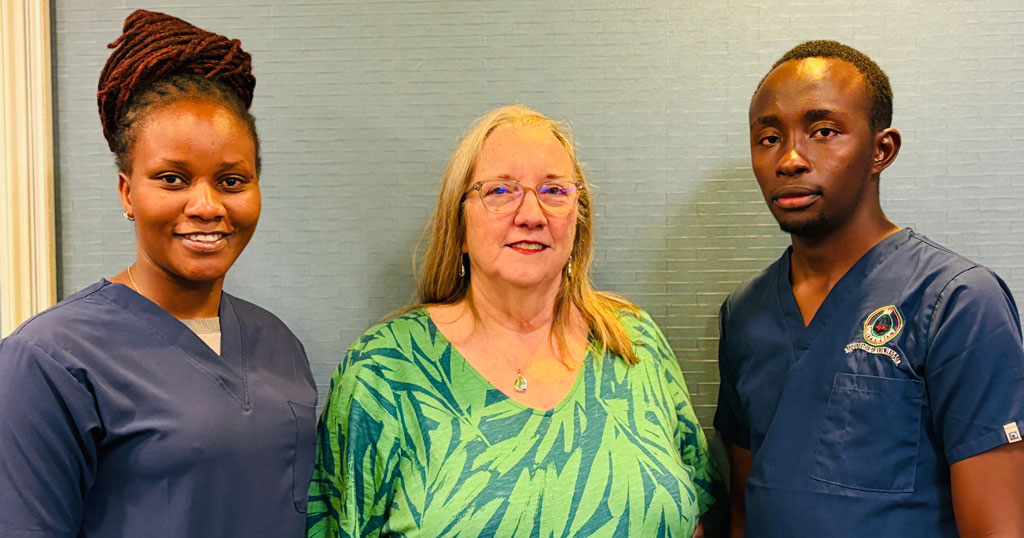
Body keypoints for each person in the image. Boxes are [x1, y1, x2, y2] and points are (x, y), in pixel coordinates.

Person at [306, 104, 716, 537]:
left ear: (579, 218)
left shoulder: (634, 342)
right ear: (459, 223)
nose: (532, 215)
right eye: (500, 192)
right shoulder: (384, 371)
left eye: (554, 191)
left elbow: (697, 517)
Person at [0, 10, 316, 538]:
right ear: (128, 192)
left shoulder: (280, 345)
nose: (207, 205)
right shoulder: (49, 360)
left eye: (232, 180)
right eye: (172, 179)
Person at [714, 40, 1024, 537]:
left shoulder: (957, 302)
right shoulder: (744, 313)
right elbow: (746, 513)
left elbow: (998, 528)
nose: (790, 159)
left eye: (824, 132)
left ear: (882, 150)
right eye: (768, 138)